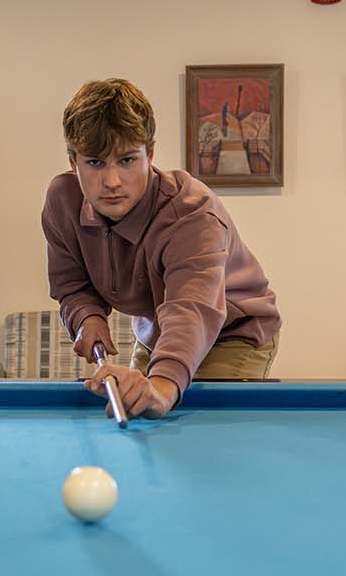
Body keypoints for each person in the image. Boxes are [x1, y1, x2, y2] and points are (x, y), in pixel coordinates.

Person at [44, 78, 282, 419]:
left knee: (203, 436)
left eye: (127, 160)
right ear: (73, 161)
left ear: (149, 155)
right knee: (142, 417)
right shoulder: (62, 202)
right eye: (95, 162)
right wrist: (87, 317)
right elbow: (72, 285)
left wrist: (164, 384)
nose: (112, 181)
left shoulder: (192, 212)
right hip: (156, 330)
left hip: (233, 333)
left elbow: (191, 311)